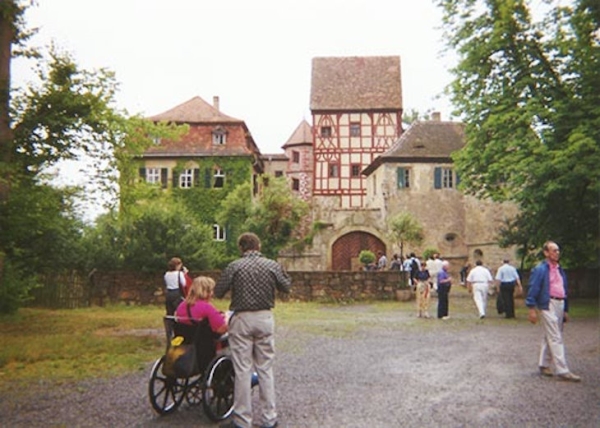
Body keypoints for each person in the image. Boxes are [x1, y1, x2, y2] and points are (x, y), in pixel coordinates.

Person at [215, 232, 291, 428]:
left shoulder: (235, 266)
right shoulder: (271, 265)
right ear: (259, 246)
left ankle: (242, 420)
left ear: (241, 247)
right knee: (265, 368)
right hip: (265, 317)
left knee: (242, 369)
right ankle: (269, 418)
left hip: (242, 318)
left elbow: (218, 290)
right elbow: (286, 286)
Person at [525, 241, 580, 382]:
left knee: (551, 334)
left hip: (560, 302)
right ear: (546, 253)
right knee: (555, 336)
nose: (557, 253)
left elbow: (564, 289)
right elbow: (533, 287)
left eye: (557, 250)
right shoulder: (541, 269)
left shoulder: (560, 269)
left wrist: (566, 309)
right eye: (553, 250)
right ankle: (563, 369)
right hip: (547, 303)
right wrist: (531, 308)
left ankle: (544, 364)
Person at [175, 276, 228, 372]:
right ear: (206, 292)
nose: (212, 294)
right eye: (211, 291)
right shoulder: (206, 307)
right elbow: (221, 329)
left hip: (186, 343)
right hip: (204, 346)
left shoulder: (181, 306)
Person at [164, 257, 191, 342]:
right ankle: (181, 331)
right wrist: (185, 274)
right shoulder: (179, 274)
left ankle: (169, 333)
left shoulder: (166, 274)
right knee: (181, 313)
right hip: (177, 294)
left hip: (169, 294)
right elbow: (184, 283)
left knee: (170, 314)